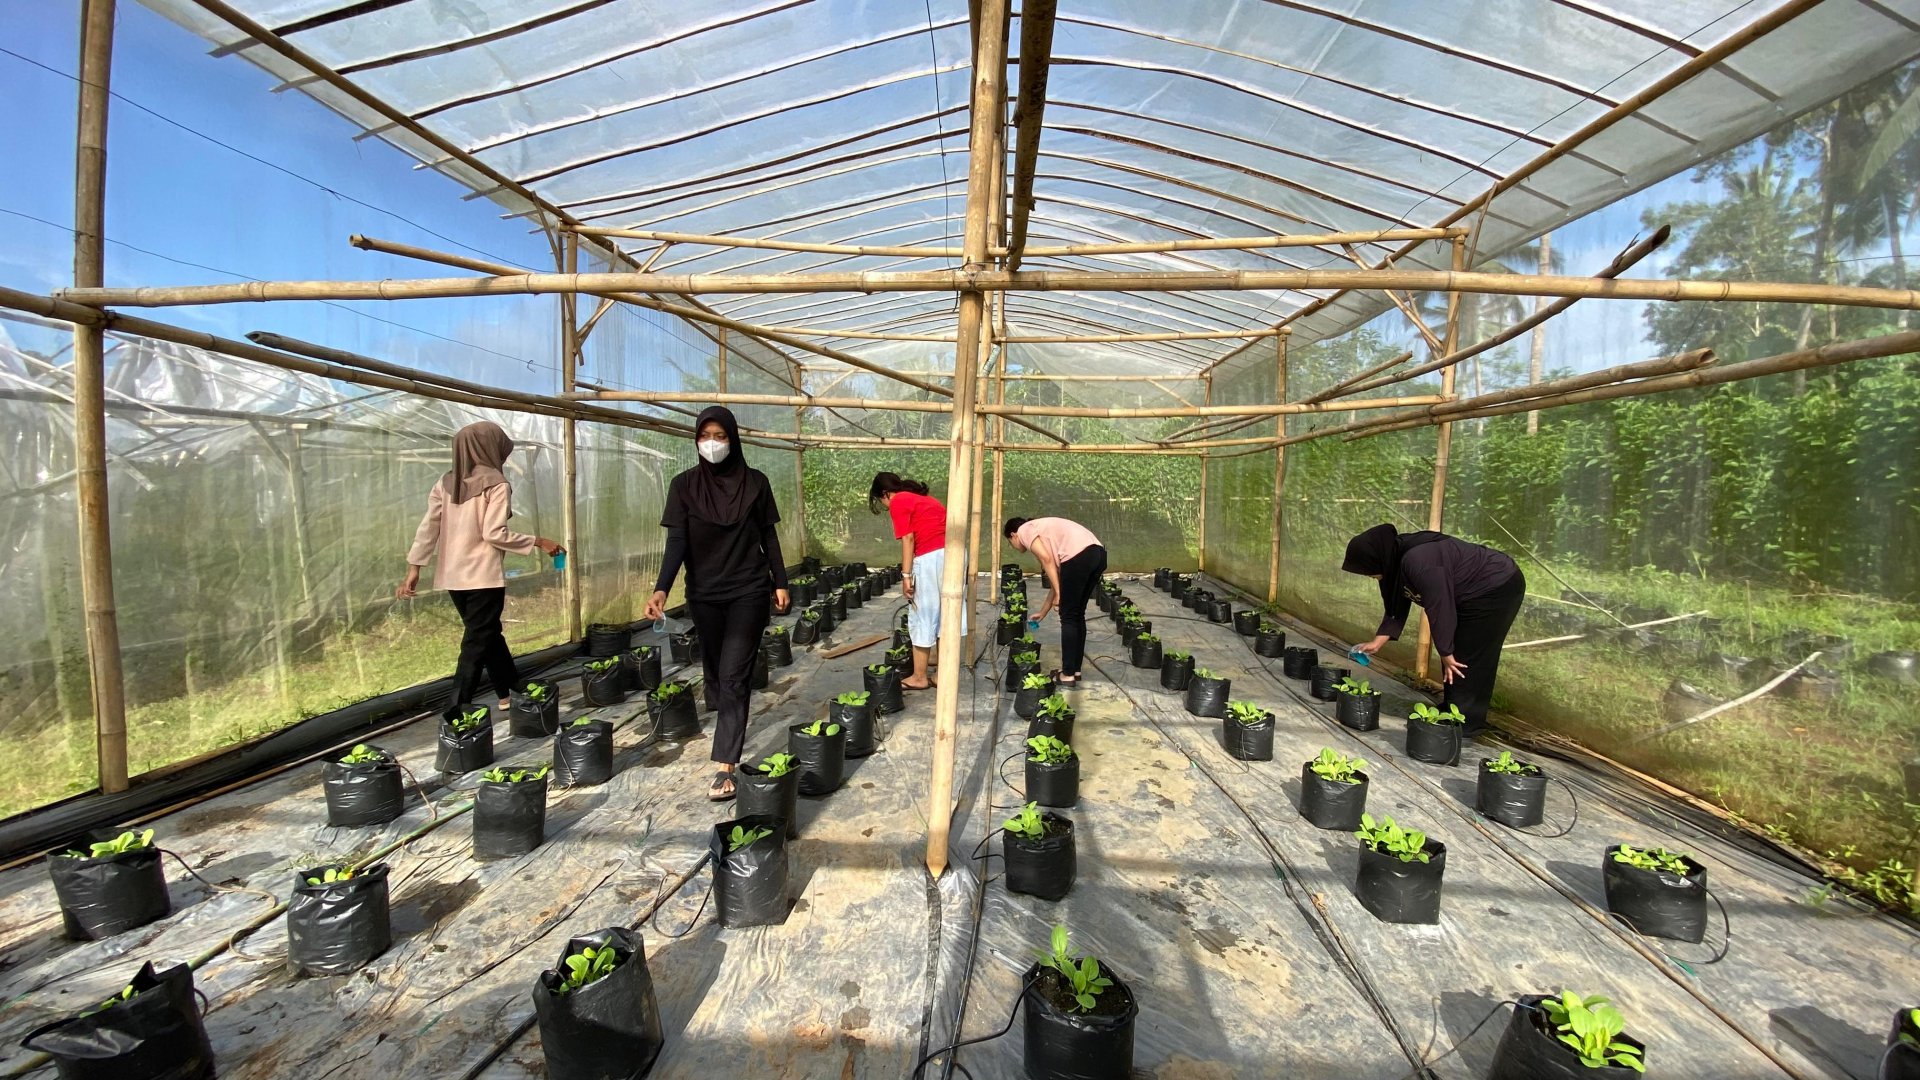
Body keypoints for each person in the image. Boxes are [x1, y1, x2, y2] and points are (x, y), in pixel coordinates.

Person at [645, 407, 790, 801]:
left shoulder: (756, 484)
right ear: (696, 439)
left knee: (733, 675)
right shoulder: (684, 486)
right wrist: (661, 589)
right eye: (705, 435)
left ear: (733, 439)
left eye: (720, 436)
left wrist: (780, 580)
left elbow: (768, 536)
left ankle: (725, 763)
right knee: (713, 667)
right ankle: (726, 708)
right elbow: (676, 542)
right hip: (704, 594)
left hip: (748, 590)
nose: (712, 443)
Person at [399, 420, 564, 714]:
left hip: (454, 576)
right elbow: (494, 534)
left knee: (486, 633)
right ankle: (457, 708)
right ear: (489, 448)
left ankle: (509, 691)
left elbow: (429, 527)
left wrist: (415, 566)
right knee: (477, 640)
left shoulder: (446, 483)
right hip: (482, 576)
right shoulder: (497, 484)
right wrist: (539, 541)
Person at [1342, 523, 1526, 737]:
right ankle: (1452, 710)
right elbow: (1397, 604)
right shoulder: (1393, 561)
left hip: (1496, 585)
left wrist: (1446, 651)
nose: (1369, 576)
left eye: (1367, 570)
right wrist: (1378, 641)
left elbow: (1440, 606)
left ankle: (1465, 723)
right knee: (1458, 652)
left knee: (1467, 655)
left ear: (1376, 559)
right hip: (1470, 591)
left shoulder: (1419, 560)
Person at [869, 472, 962, 690]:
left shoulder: (899, 500)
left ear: (885, 494)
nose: (885, 505)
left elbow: (908, 539)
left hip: (931, 557)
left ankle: (919, 677)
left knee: (922, 613)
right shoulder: (926, 498)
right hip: (954, 554)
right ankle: (941, 673)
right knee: (945, 613)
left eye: (882, 501)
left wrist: (906, 575)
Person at [1004, 516, 1108, 686]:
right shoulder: (1046, 535)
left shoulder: (1025, 530)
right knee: (1076, 615)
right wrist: (1043, 611)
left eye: (1010, 542)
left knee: (1067, 617)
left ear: (1013, 535)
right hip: (1097, 554)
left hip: (1079, 556)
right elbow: (1057, 576)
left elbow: (1046, 560)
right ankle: (1074, 670)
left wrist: (1059, 594)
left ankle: (1067, 675)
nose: (1014, 546)